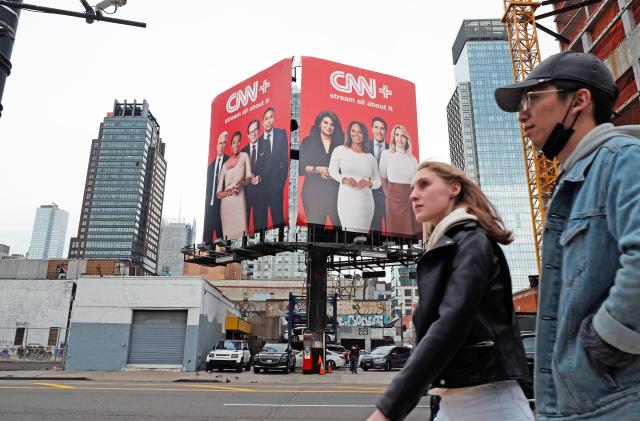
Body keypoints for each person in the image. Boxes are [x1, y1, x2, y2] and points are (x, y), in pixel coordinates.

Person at [495, 51, 640, 420]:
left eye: (533, 98)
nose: (522, 114)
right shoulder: (575, 181)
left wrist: (607, 338)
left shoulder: (623, 160)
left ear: (579, 100)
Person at [367, 161, 532, 421]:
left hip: (489, 403)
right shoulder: (444, 246)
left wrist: (388, 410)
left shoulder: (471, 241)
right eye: (412, 188)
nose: (413, 194)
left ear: (453, 189)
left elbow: (450, 324)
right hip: (451, 401)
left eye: (424, 184)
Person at [329, 121, 381, 233]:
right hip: (346, 201)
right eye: (353, 131)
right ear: (349, 132)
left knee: (362, 239)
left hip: (366, 204)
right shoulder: (340, 150)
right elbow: (332, 171)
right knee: (348, 236)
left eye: (360, 132)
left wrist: (368, 183)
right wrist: (344, 179)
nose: (356, 134)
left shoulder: (370, 157)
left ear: (364, 135)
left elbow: (378, 181)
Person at [299, 110, 344, 228]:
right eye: (326, 122)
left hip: (337, 193)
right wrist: (316, 169)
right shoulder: (308, 142)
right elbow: (300, 167)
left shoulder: (341, 144)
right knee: (316, 236)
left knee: (342, 235)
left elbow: (347, 168)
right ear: (319, 124)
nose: (329, 126)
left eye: (332, 124)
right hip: (313, 193)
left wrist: (334, 173)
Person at [379, 124, 419, 237]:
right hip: (393, 197)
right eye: (397, 135)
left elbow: (416, 182)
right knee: (393, 231)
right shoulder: (386, 154)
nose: (400, 139)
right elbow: (382, 177)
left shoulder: (413, 159)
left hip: (409, 198)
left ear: (407, 139)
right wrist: (388, 194)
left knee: (410, 231)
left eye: (403, 136)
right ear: (393, 136)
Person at [217, 131, 252, 239]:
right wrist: (229, 191)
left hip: (239, 200)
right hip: (226, 205)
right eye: (233, 142)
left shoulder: (244, 156)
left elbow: (249, 177)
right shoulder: (224, 165)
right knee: (227, 239)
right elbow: (218, 194)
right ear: (230, 145)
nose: (236, 144)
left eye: (238, 141)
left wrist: (241, 182)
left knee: (243, 233)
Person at [260, 107, 289, 227]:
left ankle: (281, 243)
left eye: (271, 117)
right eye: (266, 118)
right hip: (261, 188)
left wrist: (281, 182)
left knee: (279, 220)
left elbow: (285, 160)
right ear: (263, 122)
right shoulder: (258, 140)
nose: (269, 121)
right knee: (261, 223)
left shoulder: (281, 134)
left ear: (274, 118)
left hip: (276, 186)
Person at [242, 119, 269, 231]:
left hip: (261, 193)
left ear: (258, 131)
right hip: (246, 195)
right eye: (250, 132)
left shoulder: (266, 145)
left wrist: (260, 177)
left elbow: (270, 165)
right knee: (243, 229)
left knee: (261, 228)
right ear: (247, 135)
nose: (253, 134)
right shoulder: (243, 152)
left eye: (255, 130)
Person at [203, 131, 228, 243]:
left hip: (223, 205)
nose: (222, 146)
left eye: (224, 143)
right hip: (210, 205)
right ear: (216, 145)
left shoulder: (229, 161)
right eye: (220, 143)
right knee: (207, 239)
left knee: (222, 238)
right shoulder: (210, 167)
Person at [368, 117, 388, 232]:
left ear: (385, 131)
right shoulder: (364, 146)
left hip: (388, 196)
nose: (379, 131)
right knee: (374, 230)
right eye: (376, 127)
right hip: (370, 194)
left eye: (382, 128)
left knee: (393, 229)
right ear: (372, 129)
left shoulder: (392, 149)